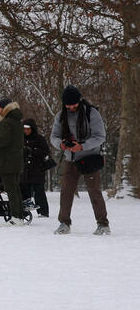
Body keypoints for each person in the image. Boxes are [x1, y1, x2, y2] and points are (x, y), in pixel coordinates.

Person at [48, 85, 109, 235]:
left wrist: (82, 146)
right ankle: (64, 223)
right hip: (70, 159)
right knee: (66, 191)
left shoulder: (92, 113)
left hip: (89, 159)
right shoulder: (60, 115)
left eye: (73, 104)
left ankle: (103, 224)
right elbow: (53, 137)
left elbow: (100, 137)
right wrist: (61, 144)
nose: (71, 107)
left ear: (79, 101)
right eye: (67, 105)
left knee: (94, 191)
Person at [0, 98, 25, 223]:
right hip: (16, 160)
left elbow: (4, 140)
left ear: (5, 108)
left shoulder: (7, 122)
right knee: (15, 189)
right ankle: (19, 215)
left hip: (7, 161)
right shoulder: (17, 121)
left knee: (11, 190)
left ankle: (16, 217)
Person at [20, 118, 51, 218]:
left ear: (32, 129)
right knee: (24, 191)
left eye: (28, 129)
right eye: (24, 129)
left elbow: (46, 152)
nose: (26, 131)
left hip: (37, 170)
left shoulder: (40, 139)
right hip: (25, 170)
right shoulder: (20, 139)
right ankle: (24, 211)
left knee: (39, 192)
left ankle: (43, 212)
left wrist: (33, 151)